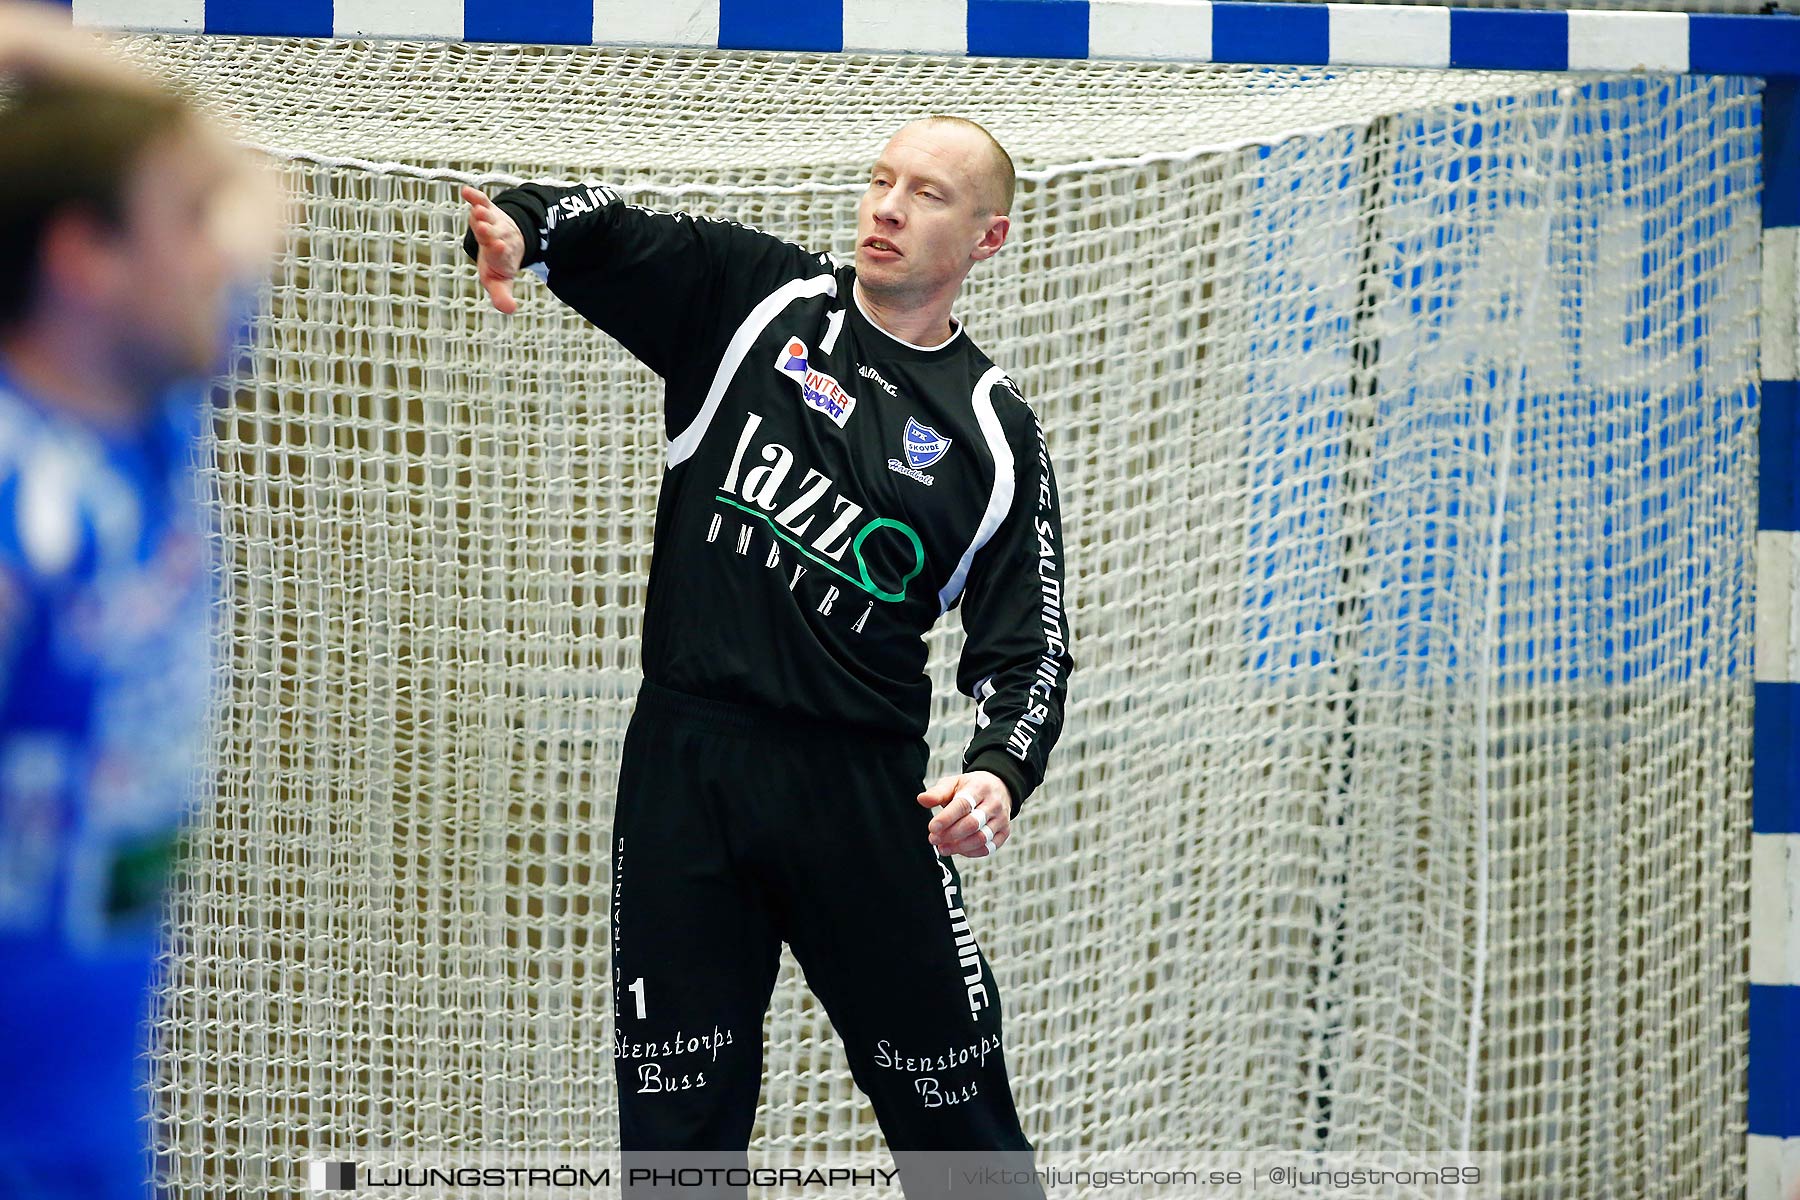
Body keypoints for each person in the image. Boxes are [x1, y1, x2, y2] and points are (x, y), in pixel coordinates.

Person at [462, 115, 1073, 1197]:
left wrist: (996, 771)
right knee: (677, 1146)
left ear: (990, 239)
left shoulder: (994, 429)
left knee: (967, 1148)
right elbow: (607, 224)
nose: (886, 206)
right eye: (879, 179)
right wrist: (522, 227)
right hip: (687, 777)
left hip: (867, 801)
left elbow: (1030, 649)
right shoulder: (761, 303)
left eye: (928, 193)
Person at [0, 28, 279, 1199]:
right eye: (184, 223)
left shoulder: (156, 413)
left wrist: (24, 40)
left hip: (96, 1116)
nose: (220, 253)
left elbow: (264, 185)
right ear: (85, 260)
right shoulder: (22, 506)